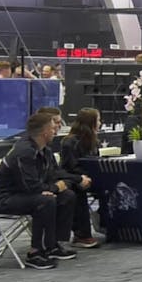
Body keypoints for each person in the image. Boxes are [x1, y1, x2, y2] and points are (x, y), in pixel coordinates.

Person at [0, 112, 77, 269]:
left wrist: (64, 183)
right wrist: (55, 188)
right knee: (46, 201)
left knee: (67, 195)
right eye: (53, 127)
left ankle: (53, 244)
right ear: (44, 131)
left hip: (24, 193)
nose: (56, 129)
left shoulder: (45, 150)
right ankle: (35, 252)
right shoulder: (25, 151)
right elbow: (30, 186)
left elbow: (52, 176)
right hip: (3, 198)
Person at [56, 107, 102, 249]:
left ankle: (108, 224)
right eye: (98, 120)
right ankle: (81, 234)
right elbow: (70, 167)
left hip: (89, 176)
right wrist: (82, 178)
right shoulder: (69, 142)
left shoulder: (94, 141)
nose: (100, 123)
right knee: (78, 189)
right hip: (71, 178)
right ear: (91, 123)